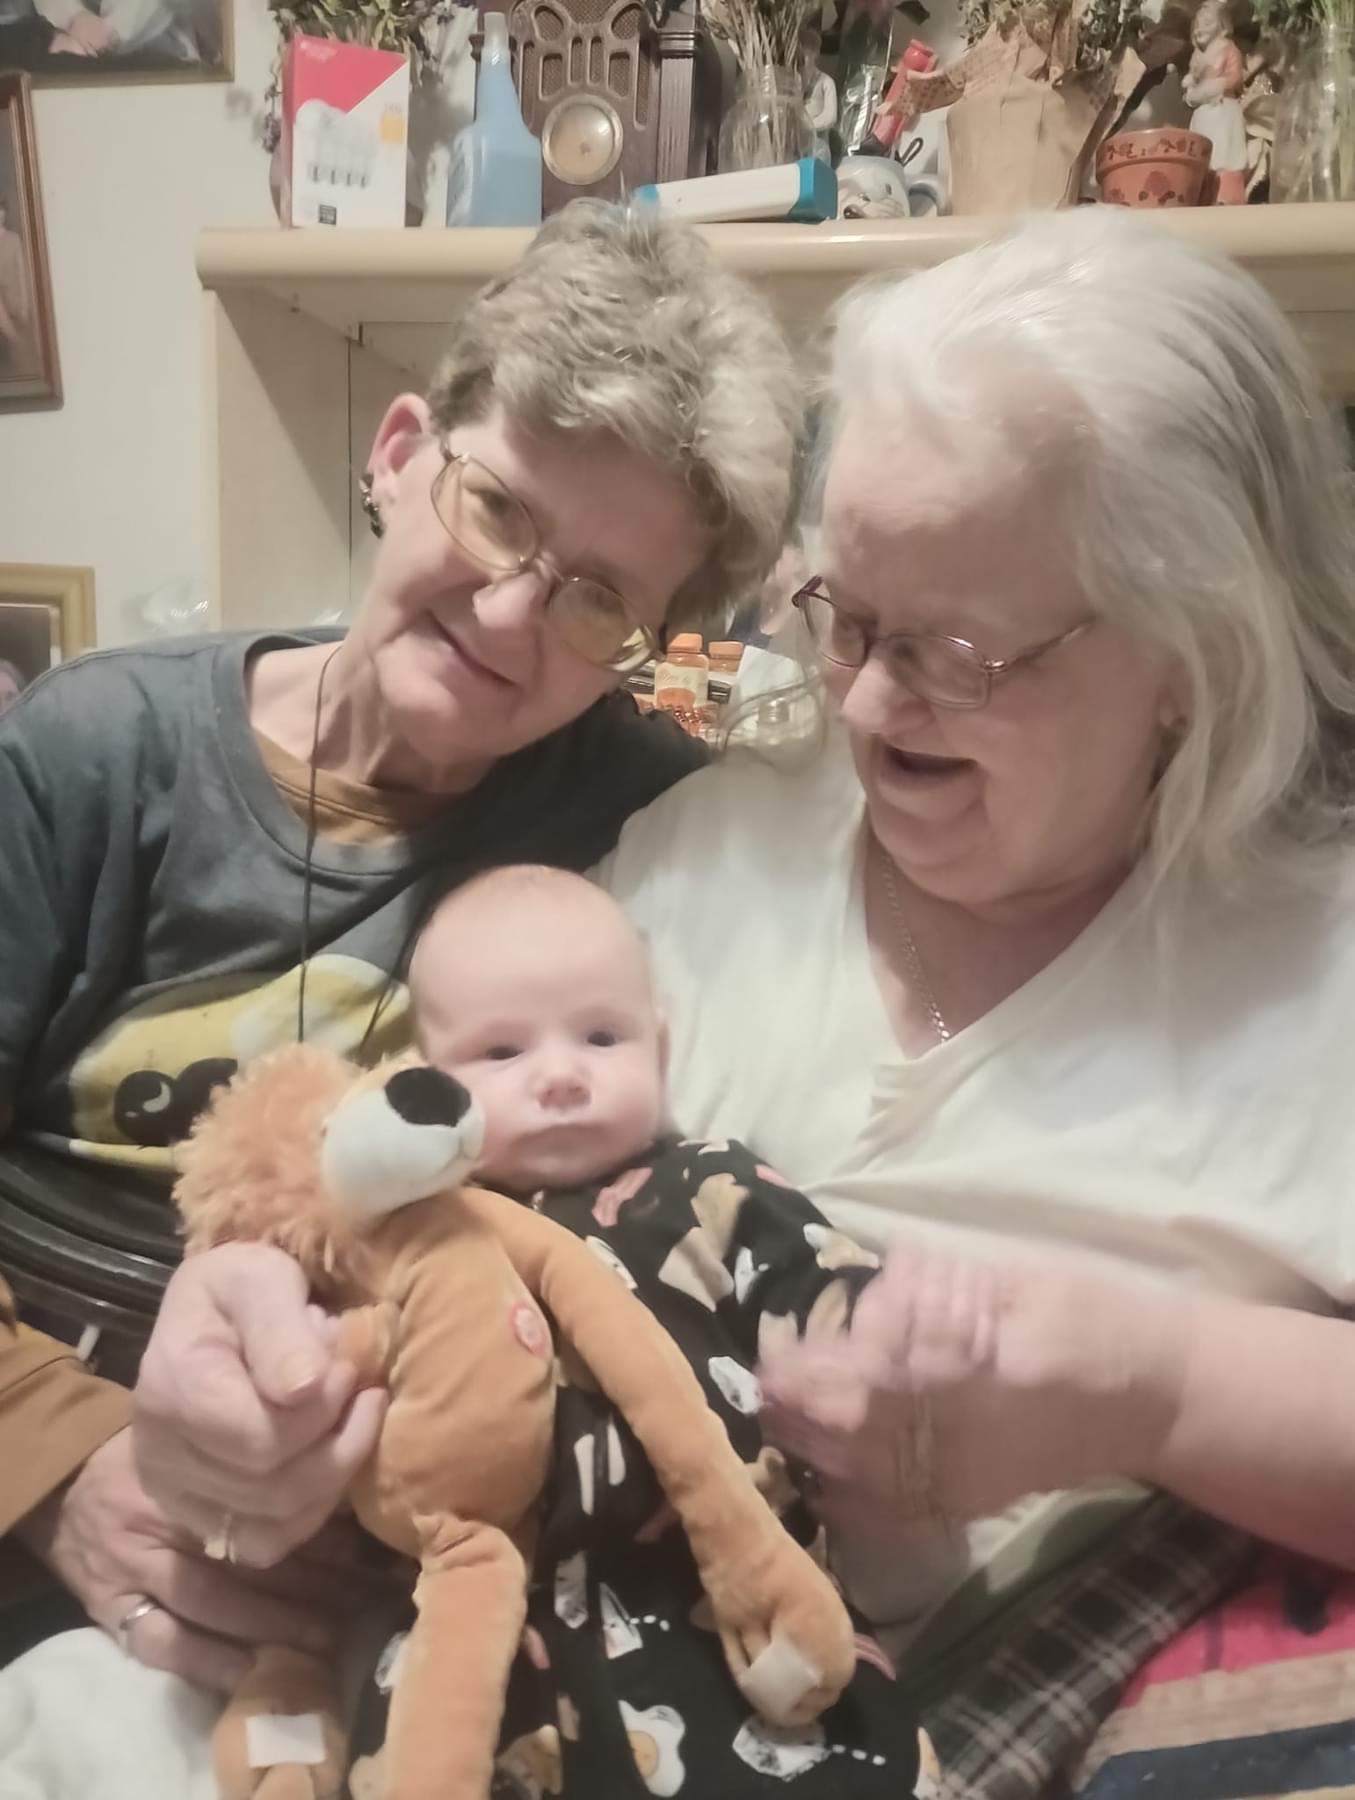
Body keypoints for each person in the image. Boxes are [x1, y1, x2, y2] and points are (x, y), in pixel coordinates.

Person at [116, 204, 1355, 1796]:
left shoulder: (1311, 966)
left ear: (1194, 650)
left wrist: (1153, 1385)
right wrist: (247, 1316)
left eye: (957, 650)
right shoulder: (691, 850)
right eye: (840, 611)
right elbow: (428, 1201)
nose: (859, 699)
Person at [0, 200, 799, 1692]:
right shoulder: (93, 758)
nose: (509, 615)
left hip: (384, 1547)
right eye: (497, 510)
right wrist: (64, 1475)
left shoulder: (648, 821)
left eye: (598, 600)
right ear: (395, 452)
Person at [338, 863, 917, 1797]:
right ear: (427, 1080)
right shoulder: (423, 1235)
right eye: (500, 1053)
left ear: (660, 1044)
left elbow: (825, 1294)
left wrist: (887, 1347)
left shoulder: (707, 1187)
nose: (561, 1075)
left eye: (600, 1036)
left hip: (721, 1608)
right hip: (482, 1629)